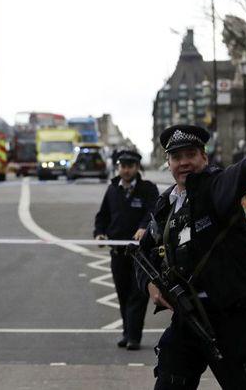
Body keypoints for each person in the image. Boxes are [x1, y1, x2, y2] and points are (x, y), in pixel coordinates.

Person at [137, 125, 246, 389]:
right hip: (188, 312)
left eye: (191, 154)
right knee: (170, 376)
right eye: (176, 157)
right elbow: (143, 254)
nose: (184, 162)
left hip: (230, 312)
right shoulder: (166, 205)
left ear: (204, 158)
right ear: (168, 163)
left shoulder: (212, 186)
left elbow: (230, 178)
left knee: (243, 382)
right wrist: (149, 285)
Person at [94, 150, 158, 351]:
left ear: (137, 167)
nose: (126, 170)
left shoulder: (148, 189)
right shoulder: (113, 189)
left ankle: (134, 337)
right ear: (118, 167)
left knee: (137, 295)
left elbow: (154, 211)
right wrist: (99, 233)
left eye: (130, 166)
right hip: (118, 253)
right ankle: (126, 332)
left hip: (140, 254)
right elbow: (102, 216)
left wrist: (144, 227)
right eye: (123, 166)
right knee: (122, 294)